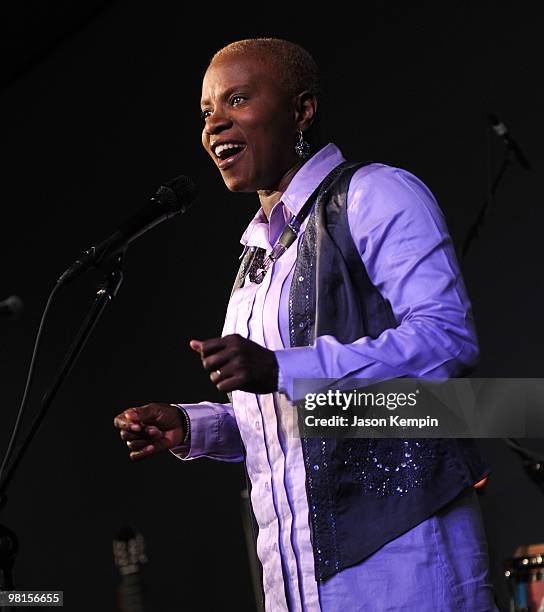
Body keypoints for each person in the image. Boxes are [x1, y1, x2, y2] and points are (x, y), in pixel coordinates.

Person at [114, 38, 498, 611]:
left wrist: (279, 367)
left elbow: (446, 340)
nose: (214, 125)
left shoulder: (374, 194)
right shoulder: (255, 256)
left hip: (402, 559)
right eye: (205, 113)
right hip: (293, 578)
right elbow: (293, 415)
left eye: (236, 100)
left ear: (302, 109)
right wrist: (194, 428)